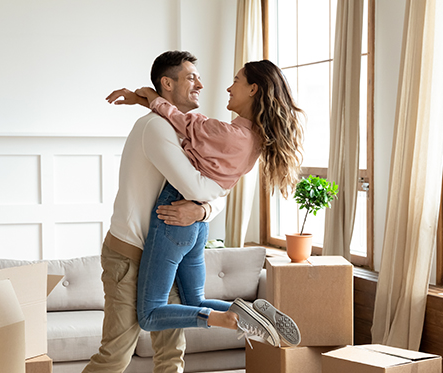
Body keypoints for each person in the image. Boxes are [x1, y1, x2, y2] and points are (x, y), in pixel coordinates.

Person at [48, 51, 281, 373]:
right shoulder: (156, 128)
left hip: (166, 252)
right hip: (130, 254)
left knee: (172, 353)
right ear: (166, 85)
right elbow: (197, 186)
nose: (201, 85)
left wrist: (206, 206)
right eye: (190, 78)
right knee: (115, 354)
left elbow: (213, 192)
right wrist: (206, 202)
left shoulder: (185, 127)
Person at [107, 59, 305, 347]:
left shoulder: (227, 134)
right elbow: (217, 189)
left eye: (236, 80)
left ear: (253, 89)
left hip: (174, 214)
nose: (228, 87)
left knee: (149, 314)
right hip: (197, 225)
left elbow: (182, 121)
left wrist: (144, 98)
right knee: (195, 300)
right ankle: (251, 313)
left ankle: (225, 319)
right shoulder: (253, 140)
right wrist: (203, 211)